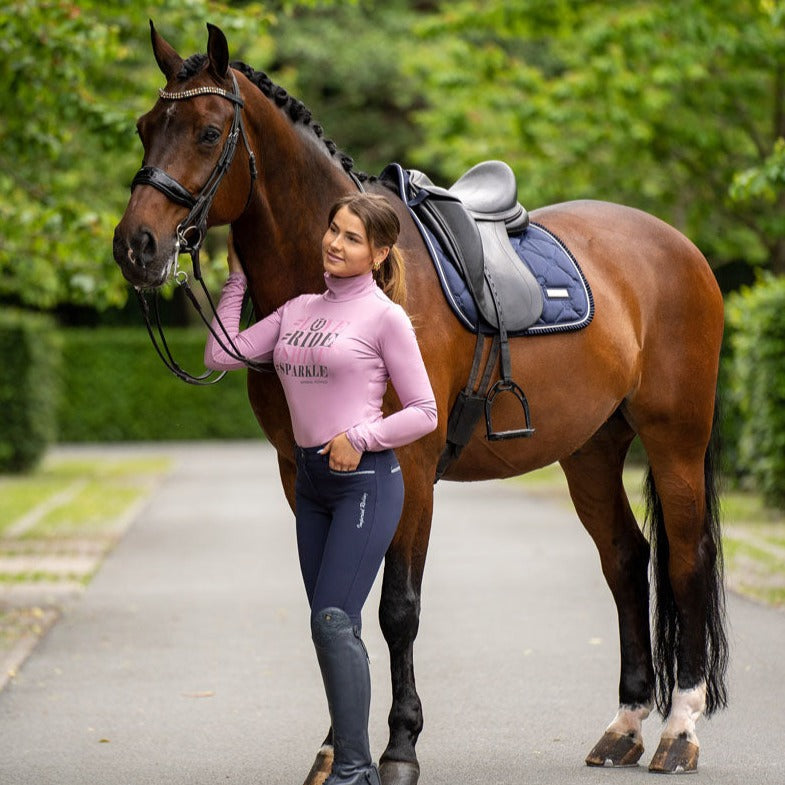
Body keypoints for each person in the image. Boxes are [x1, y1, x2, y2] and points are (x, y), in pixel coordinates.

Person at [204, 193, 438, 785]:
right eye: (333, 229)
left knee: (333, 620)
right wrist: (236, 283)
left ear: (380, 253)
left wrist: (360, 435)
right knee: (331, 624)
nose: (335, 243)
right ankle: (353, 759)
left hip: (364, 482)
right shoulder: (296, 309)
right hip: (311, 485)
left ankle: (353, 769)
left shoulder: (385, 317)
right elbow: (221, 353)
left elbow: (424, 411)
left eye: (352, 238)